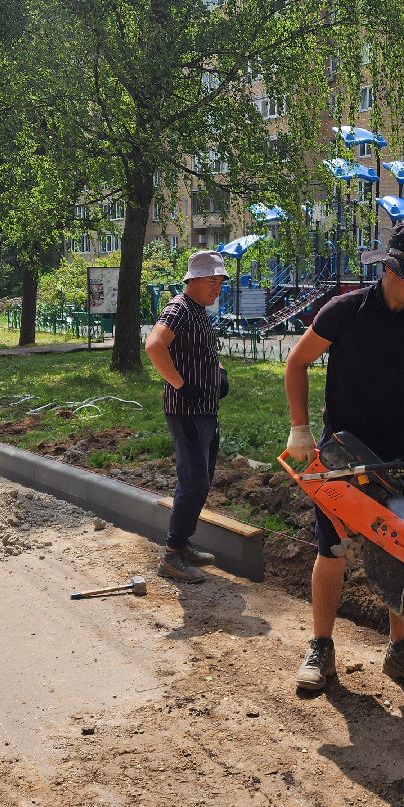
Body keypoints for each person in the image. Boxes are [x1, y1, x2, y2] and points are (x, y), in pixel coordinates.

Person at [283, 221, 404, 695]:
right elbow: (297, 362)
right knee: (332, 549)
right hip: (342, 450)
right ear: (390, 267)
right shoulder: (344, 311)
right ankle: (321, 647)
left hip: (403, 457)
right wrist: (300, 428)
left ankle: (402, 652)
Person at [144, 250, 229, 584]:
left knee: (201, 480)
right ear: (192, 279)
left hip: (205, 410)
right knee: (194, 481)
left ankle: (183, 544)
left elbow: (200, 351)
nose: (216, 288)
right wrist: (181, 385)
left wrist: (219, 374)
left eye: (220, 282)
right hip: (187, 411)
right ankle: (172, 555)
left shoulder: (199, 311)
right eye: (211, 281)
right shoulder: (179, 308)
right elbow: (154, 345)